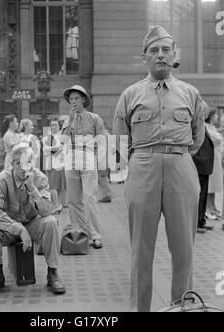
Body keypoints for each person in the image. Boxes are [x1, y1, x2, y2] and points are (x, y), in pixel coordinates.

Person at [113, 26, 205, 312]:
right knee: (141, 248)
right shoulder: (130, 95)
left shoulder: (190, 93)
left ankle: (182, 307)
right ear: (144, 58)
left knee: (184, 249)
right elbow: (119, 139)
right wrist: (144, 160)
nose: (160, 55)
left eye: (166, 50)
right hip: (142, 168)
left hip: (181, 166)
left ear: (174, 55)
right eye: (154, 51)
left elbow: (197, 137)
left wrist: (174, 156)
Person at [0, 143, 65, 298]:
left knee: (51, 222)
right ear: (13, 164)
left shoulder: (39, 178)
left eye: (28, 162)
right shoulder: (2, 179)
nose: (25, 168)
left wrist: (33, 189)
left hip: (33, 224)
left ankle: (52, 273)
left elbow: (47, 211)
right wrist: (18, 228)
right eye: (20, 163)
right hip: (9, 228)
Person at [62, 85, 106, 249]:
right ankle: (79, 232)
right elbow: (63, 142)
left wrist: (100, 161)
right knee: (73, 200)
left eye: (76, 98)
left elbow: (101, 140)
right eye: (71, 99)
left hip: (88, 158)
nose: (73, 101)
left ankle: (95, 235)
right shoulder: (67, 121)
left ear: (83, 100)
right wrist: (70, 121)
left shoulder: (95, 118)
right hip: (71, 159)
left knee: (89, 197)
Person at [192, 101, 215, 234]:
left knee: (204, 195)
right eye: (204, 110)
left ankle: (201, 221)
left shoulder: (201, 124)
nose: (206, 112)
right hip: (199, 165)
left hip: (204, 166)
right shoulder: (195, 125)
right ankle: (196, 223)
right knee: (199, 196)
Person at [42, 117, 67, 213]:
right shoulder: (47, 137)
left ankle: (57, 204)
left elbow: (62, 148)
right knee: (52, 186)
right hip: (50, 164)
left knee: (58, 186)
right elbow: (45, 150)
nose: (53, 127)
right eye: (52, 125)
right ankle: (57, 204)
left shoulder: (62, 136)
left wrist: (50, 148)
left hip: (60, 164)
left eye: (55, 125)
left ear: (59, 126)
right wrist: (55, 149)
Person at [205, 107, 223, 220]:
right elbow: (217, 140)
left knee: (215, 185)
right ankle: (208, 208)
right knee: (210, 185)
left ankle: (213, 206)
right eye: (216, 115)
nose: (218, 117)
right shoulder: (206, 127)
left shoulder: (213, 127)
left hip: (216, 158)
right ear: (210, 116)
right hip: (211, 158)